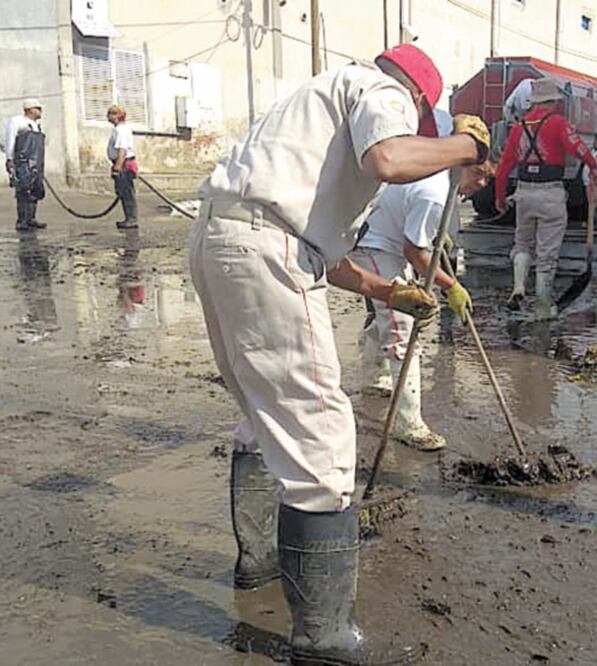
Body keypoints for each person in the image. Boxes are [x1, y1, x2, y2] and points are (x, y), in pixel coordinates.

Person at [188, 44, 489, 666]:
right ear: (414, 98)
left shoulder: (314, 107)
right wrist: (468, 147)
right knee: (322, 441)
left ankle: (261, 563)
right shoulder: (377, 91)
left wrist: (384, 289)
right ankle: (324, 639)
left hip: (220, 240)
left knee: (264, 418)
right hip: (266, 251)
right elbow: (389, 157)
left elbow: (323, 246)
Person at [353, 109, 493, 451]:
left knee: (386, 317)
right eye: (477, 174)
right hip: (376, 247)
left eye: (487, 178)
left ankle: (375, 376)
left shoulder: (438, 180)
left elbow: (418, 236)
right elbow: (416, 253)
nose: (481, 185)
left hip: (382, 239)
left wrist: (434, 237)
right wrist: (452, 286)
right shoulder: (434, 193)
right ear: (459, 164)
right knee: (404, 327)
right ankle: (409, 423)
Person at [495, 78, 597, 320]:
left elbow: (504, 166)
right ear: (552, 102)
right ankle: (542, 308)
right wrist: (593, 166)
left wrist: (500, 197)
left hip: (523, 193)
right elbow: (578, 148)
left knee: (522, 243)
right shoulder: (558, 123)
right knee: (546, 255)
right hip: (550, 192)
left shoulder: (519, 127)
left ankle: (519, 285)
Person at [4, 98, 46, 232]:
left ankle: (31, 219)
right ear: (29, 109)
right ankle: (22, 220)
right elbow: (10, 141)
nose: (40, 111)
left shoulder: (36, 125)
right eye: (37, 108)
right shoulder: (17, 121)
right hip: (23, 163)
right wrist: (10, 159)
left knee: (36, 190)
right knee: (23, 190)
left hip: (37, 163)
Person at [106, 105, 139, 229]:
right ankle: (129, 218)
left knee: (127, 192)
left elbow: (122, 149)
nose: (108, 116)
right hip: (122, 163)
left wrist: (117, 167)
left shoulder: (121, 130)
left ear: (118, 116)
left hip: (124, 164)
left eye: (112, 113)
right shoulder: (120, 129)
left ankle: (132, 219)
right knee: (123, 192)